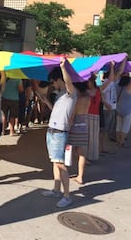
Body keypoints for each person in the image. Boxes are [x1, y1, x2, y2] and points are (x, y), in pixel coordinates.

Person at [39, 58, 77, 208]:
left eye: (53, 82)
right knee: (55, 162)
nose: (53, 85)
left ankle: (67, 196)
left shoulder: (70, 92)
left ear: (59, 80)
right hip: (52, 131)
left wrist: (63, 68)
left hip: (60, 132)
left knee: (61, 165)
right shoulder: (61, 94)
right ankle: (56, 190)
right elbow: (56, 109)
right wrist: (46, 102)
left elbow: (68, 83)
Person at [68, 82, 90, 185]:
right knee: (81, 153)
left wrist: (67, 126)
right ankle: (80, 176)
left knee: (68, 150)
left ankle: (65, 172)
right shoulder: (88, 98)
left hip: (74, 126)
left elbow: (72, 115)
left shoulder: (76, 99)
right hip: (84, 125)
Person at [115, 72, 131, 147]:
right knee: (125, 127)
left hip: (118, 109)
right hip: (127, 110)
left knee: (118, 126)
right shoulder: (129, 87)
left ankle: (118, 140)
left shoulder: (117, 86)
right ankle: (121, 142)